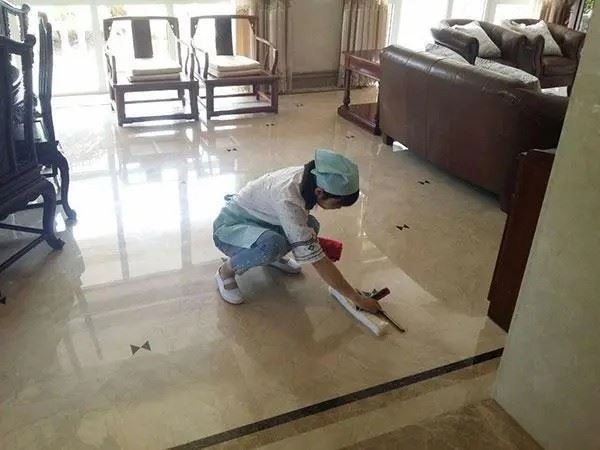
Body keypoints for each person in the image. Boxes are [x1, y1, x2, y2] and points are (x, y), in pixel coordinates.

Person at [212, 149, 382, 314]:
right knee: (272, 245)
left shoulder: (310, 178)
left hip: (264, 221)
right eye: (338, 203)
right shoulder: (288, 198)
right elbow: (318, 260)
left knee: (311, 225)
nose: (338, 208)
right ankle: (225, 272)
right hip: (230, 229)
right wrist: (356, 298)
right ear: (319, 192)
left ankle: (273, 256)